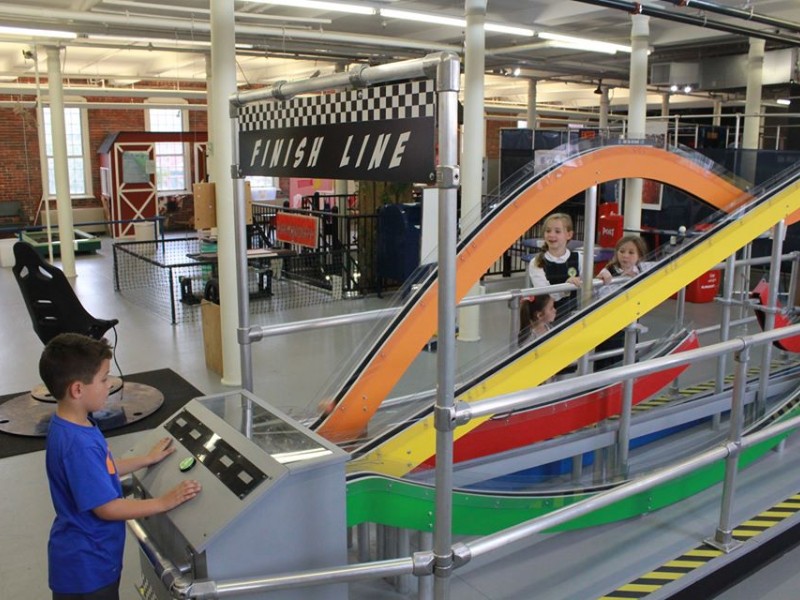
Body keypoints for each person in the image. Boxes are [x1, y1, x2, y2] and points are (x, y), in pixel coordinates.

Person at [40, 333, 201, 600]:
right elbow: (108, 508)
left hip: (87, 560)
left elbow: (99, 469)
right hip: (87, 571)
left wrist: (145, 460)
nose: (110, 385)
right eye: (103, 379)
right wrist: (164, 502)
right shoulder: (77, 444)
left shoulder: (71, 425)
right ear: (77, 390)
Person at [594, 234, 650, 370]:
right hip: (608, 326)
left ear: (639, 256)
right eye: (622, 251)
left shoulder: (641, 270)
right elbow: (602, 296)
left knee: (628, 357)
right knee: (606, 361)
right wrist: (616, 279)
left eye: (631, 252)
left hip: (630, 323)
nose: (625, 256)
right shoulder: (608, 271)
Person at [527, 213, 582, 315]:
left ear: (569, 235)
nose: (552, 235)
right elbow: (545, 295)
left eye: (557, 231)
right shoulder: (536, 263)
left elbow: (589, 285)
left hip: (572, 317)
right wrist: (566, 287)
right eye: (548, 231)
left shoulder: (579, 258)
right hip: (546, 319)